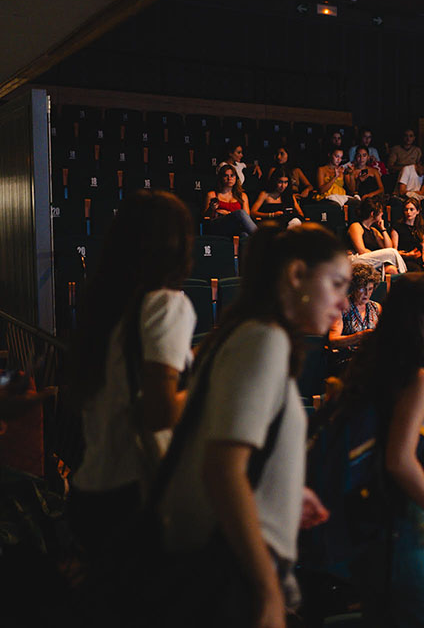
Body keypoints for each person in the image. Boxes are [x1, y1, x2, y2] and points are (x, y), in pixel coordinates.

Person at [158, 222, 349, 625]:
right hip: (232, 569)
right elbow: (222, 469)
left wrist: (283, 490)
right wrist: (266, 590)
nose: (344, 304)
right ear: (297, 275)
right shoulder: (264, 340)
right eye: (336, 284)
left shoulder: (242, 333)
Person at [341, 273, 424, 626]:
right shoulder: (418, 378)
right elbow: (400, 461)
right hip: (400, 522)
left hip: (364, 520)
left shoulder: (374, 363)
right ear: (414, 319)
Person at [69, 191, 196, 555]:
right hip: (133, 496)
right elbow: (158, 413)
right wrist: (208, 381)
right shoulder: (166, 304)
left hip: (89, 493)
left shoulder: (105, 310)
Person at [327, 262, 381, 366]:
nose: (367, 294)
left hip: (373, 359)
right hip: (348, 361)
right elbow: (333, 341)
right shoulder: (342, 308)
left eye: (370, 289)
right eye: (362, 289)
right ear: (354, 287)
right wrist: (358, 336)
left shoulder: (376, 308)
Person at [347, 198, 407, 275]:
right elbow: (361, 251)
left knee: (392, 269)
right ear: (372, 214)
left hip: (371, 261)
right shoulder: (356, 226)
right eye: (380, 211)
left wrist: (383, 229)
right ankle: (405, 275)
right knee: (392, 252)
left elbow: (388, 247)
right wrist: (381, 256)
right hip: (356, 260)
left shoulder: (374, 230)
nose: (382, 213)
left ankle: (401, 278)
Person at [204, 164, 256, 237]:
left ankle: (260, 242)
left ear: (236, 178)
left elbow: (247, 217)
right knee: (240, 213)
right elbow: (206, 217)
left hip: (236, 227)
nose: (229, 178)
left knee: (245, 234)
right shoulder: (212, 194)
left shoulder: (242, 195)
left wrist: (229, 214)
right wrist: (212, 209)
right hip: (218, 226)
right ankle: (261, 238)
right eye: (226, 176)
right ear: (221, 178)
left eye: (232, 175)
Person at [391, 198, 424, 271]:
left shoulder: (421, 228)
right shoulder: (397, 227)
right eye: (406, 210)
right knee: (416, 270)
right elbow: (394, 251)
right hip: (404, 259)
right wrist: (408, 255)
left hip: (418, 259)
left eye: (411, 209)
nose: (408, 212)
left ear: (417, 211)